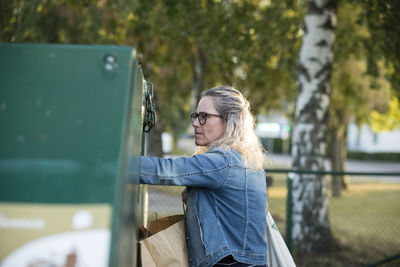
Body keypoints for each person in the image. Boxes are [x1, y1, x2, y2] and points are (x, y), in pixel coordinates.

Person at [139, 86, 268, 267]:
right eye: (196, 116)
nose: (196, 123)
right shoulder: (248, 162)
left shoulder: (223, 161)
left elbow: (166, 170)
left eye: (204, 117)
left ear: (229, 121)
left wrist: (115, 164)